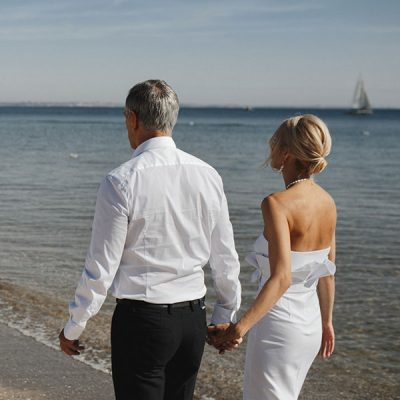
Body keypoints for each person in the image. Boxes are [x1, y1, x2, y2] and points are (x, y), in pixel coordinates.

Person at [59, 79, 241, 400]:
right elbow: (225, 255)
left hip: (143, 321)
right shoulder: (207, 174)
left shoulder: (121, 180)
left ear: (132, 118)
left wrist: (75, 325)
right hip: (192, 321)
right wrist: (225, 315)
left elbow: (101, 266)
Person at [209, 114, 336, 400]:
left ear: (287, 152)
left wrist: (238, 329)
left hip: (278, 327)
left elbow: (282, 278)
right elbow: (327, 273)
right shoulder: (328, 202)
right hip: (310, 326)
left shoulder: (276, 203)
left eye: (275, 144)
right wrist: (327, 323)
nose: (272, 150)